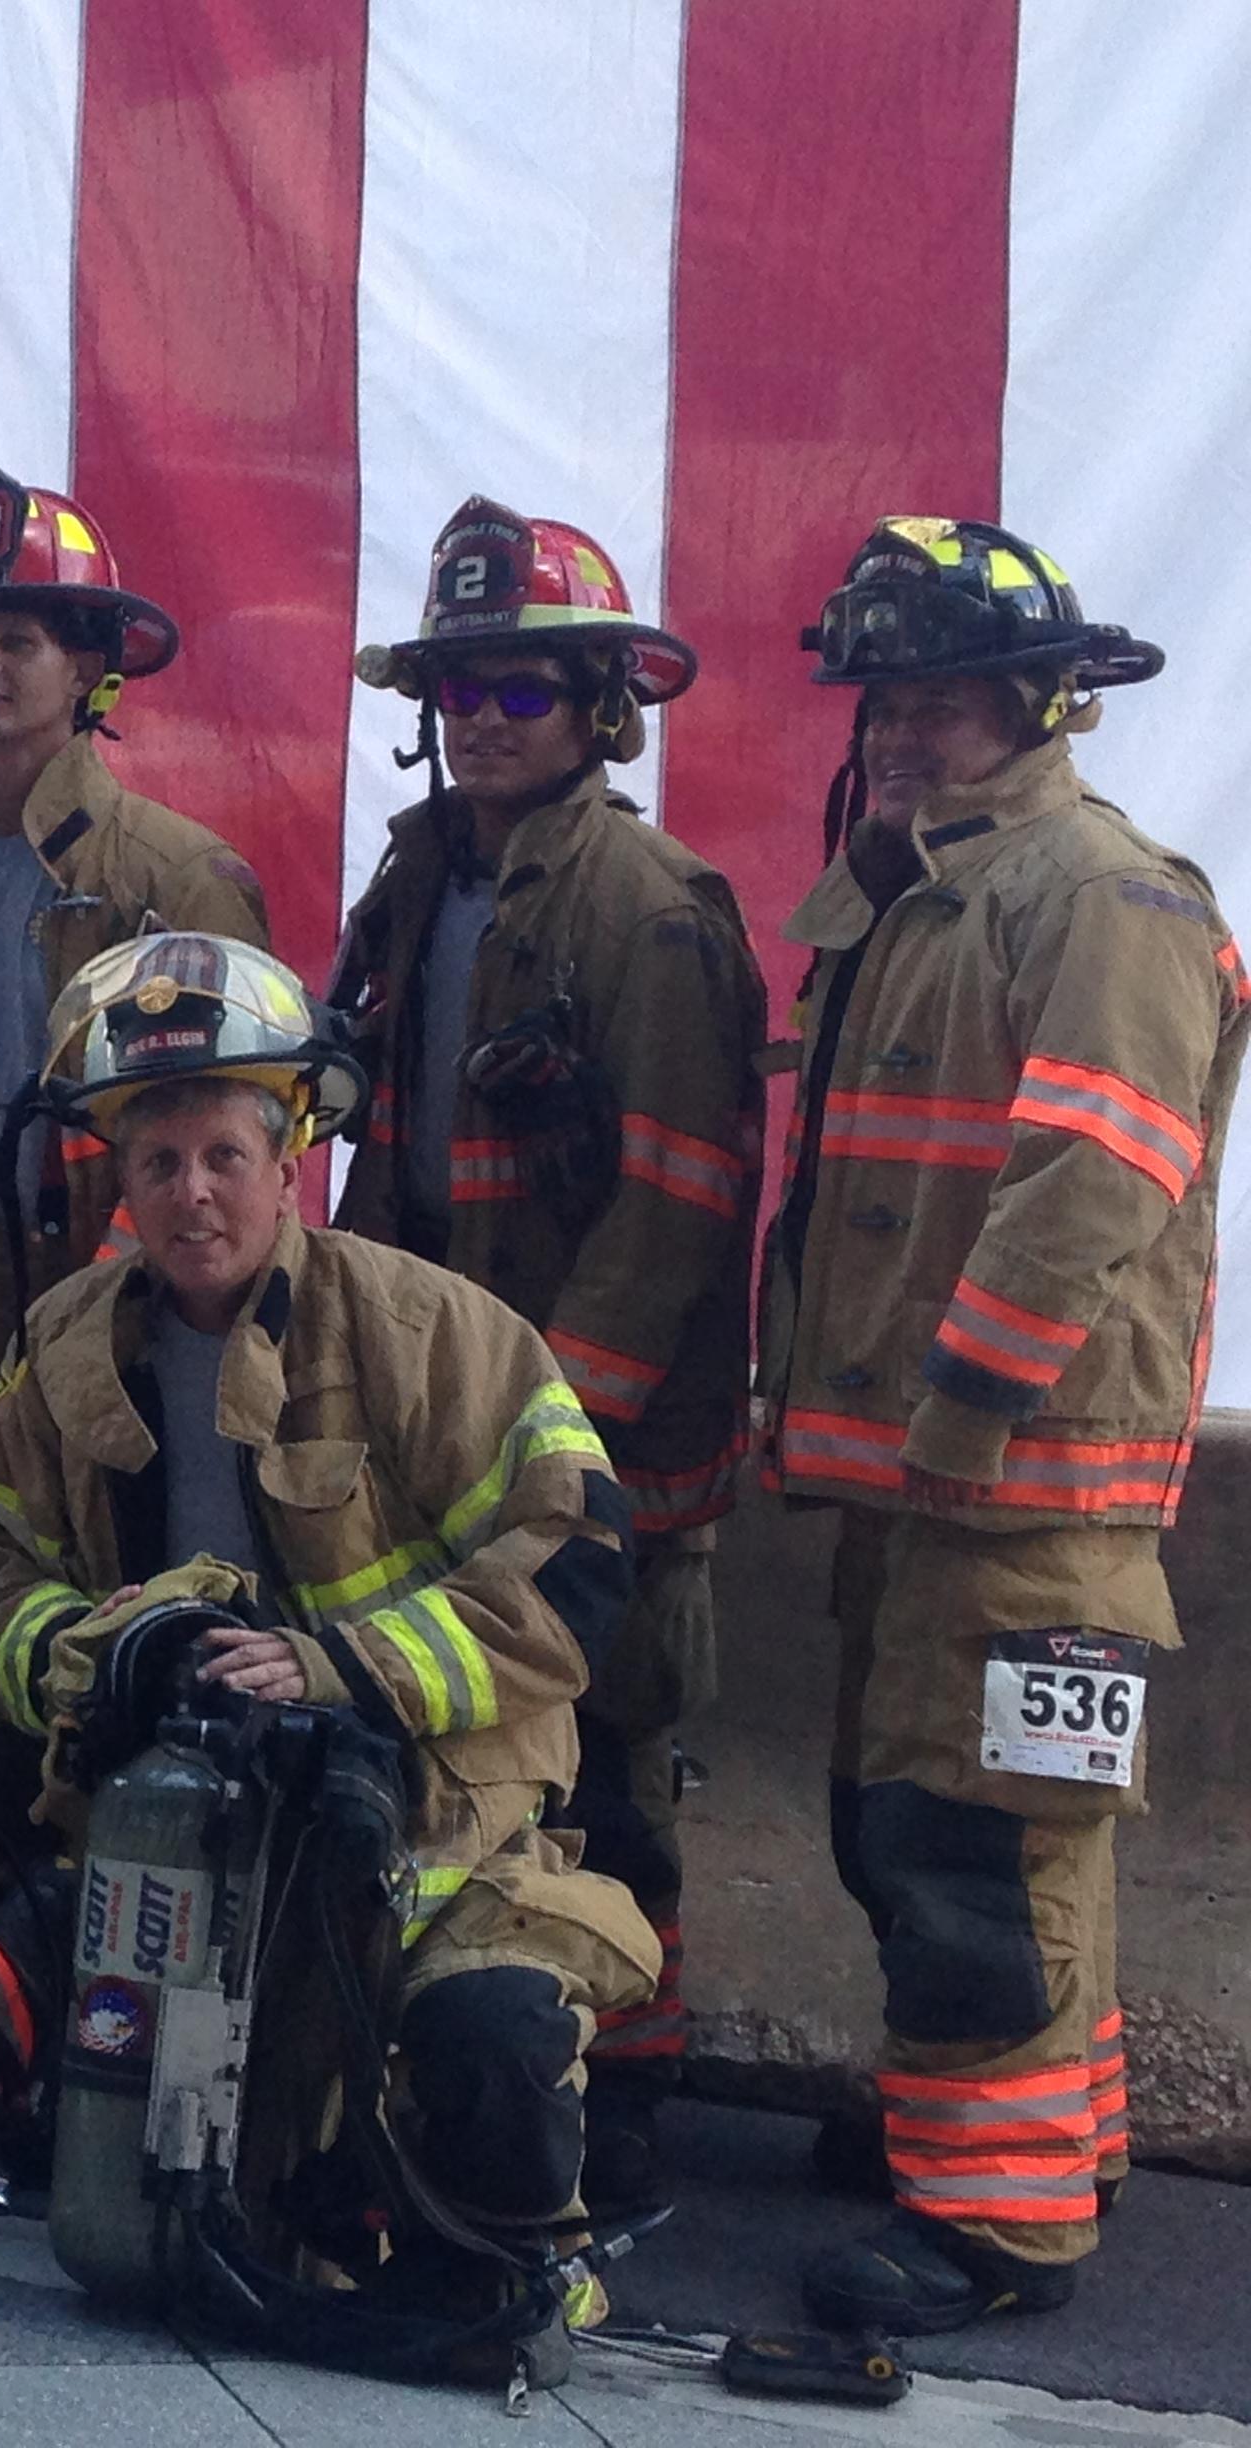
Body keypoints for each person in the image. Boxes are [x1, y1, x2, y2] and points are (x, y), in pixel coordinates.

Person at [0, 933, 657, 2313]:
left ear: (291, 1162)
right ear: (120, 1180)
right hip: (182, 1837)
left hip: (432, 1828)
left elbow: (577, 1559)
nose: (194, 1194)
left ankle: (524, 2272)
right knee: (221, 2215)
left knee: (487, 2036)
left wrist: (344, 1668)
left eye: (226, 1155)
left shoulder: (428, 1330)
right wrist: (91, 1659)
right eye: (160, 1163)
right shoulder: (65, 1346)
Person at [766, 518, 1242, 2332]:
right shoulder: (926, 891)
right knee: (978, 1823)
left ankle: (993, 2226)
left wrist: (962, 1404)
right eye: (882, 701)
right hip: (932, 1481)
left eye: (942, 699)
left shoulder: (1101, 896)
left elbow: (1089, 1182)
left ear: (1043, 702)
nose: (900, 730)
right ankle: (1044, 2142)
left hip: (1020, 1482)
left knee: (972, 1845)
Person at [328, 497, 762, 2210]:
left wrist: (550, 1425)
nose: (484, 719)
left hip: (594, 1428)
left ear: (600, 711)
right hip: (436, 1401)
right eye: (459, 689)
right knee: (460, 1737)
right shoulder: (418, 879)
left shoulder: (650, 909)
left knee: (614, 1747)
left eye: (522, 690)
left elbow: (677, 1202)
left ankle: (627, 2085)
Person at [0, 453, 269, 1365]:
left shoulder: (178, 879)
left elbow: (232, 1133)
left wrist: (110, 1306)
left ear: (83, 670)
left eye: (17, 642)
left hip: (128, 1295)